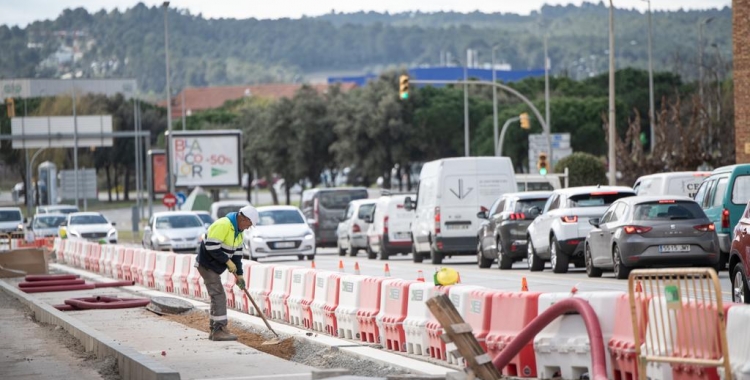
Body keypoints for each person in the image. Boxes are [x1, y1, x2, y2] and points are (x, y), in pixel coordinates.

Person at [196, 204, 259, 341]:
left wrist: (240, 275)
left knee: (216, 296)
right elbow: (211, 246)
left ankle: (215, 330)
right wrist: (227, 261)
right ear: (243, 219)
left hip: (214, 267)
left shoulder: (238, 233)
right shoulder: (223, 224)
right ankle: (219, 330)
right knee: (219, 295)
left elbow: (237, 256)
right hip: (207, 264)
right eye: (249, 224)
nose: (248, 227)